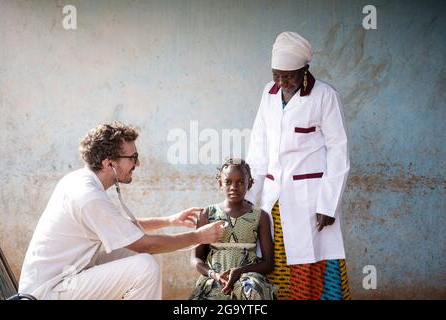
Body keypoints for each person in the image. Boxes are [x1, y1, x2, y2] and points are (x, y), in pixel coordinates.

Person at [18, 122, 226, 300]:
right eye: (132, 157)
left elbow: (121, 227)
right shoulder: (88, 196)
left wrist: (170, 220)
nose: (137, 163)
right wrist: (199, 236)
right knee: (145, 264)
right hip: (48, 292)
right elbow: (145, 244)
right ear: (109, 163)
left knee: (147, 255)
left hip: (64, 279)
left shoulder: (80, 181)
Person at [245, 31, 351, 300]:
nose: (281, 82)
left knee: (312, 258)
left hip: (311, 200)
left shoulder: (325, 95)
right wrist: (248, 199)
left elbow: (339, 151)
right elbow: (258, 146)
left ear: (305, 70)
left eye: (289, 75)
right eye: (276, 74)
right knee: (274, 259)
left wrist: (328, 204)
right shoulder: (268, 95)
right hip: (273, 197)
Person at [189, 158, 275, 300]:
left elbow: (269, 264)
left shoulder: (260, 216)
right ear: (220, 184)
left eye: (240, 182)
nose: (233, 187)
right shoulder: (208, 214)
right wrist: (213, 275)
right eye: (228, 182)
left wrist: (241, 271)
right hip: (215, 276)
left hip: (248, 277)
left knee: (252, 290)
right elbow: (196, 258)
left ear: (250, 184)